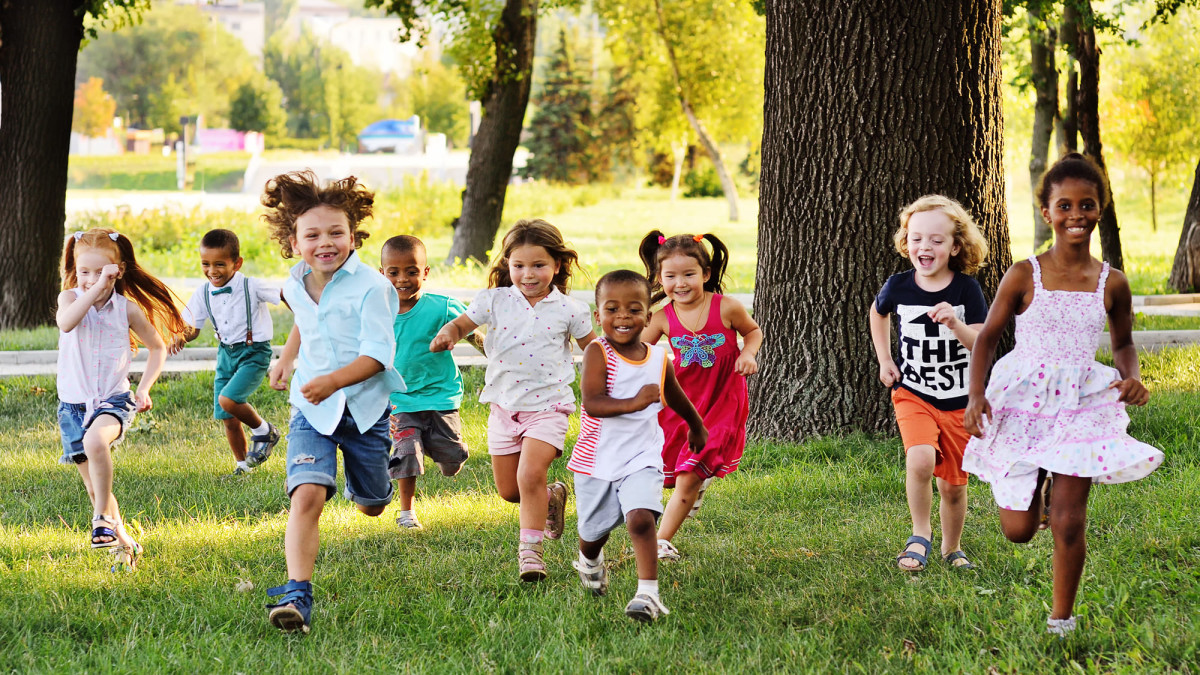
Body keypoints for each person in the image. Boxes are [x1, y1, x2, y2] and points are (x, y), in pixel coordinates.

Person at [963, 153, 1164, 636]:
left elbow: (1123, 343)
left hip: (1082, 403)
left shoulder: (1111, 282)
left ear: (1101, 209)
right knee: (1019, 531)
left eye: (1088, 204)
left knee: (1071, 521)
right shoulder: (1024, 274)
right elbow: (988, 336)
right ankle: (1040, 485)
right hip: (1023, 398)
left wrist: (1130, 375)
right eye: (1065, 205)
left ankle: (1062, 619)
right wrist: (975, 396)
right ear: (1048, 212)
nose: (1077, 214)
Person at [261, 171, 405, 633]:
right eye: (313, 234)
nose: (326, 242)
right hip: (312, 410)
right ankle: (297, 593)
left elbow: (378, 357)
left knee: (373, 504)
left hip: (363, 410)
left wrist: (331, 381)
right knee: (306, 496)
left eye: (336, 232)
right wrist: (287, 358)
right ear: (293, 240)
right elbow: (308, 319)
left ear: (353, 235)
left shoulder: (373, 287)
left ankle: (369, 486)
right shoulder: (295, 281)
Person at [431, 219, 596, 582]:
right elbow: (462, 324)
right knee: (510, 491)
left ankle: (530, 554)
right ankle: (550, 496)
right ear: (507, 264)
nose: (528, 274)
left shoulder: (569, 309)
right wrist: (449, 333)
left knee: (528, 474)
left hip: (549, 408)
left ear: (557, 265)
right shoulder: (495, 300)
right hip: (504, 408)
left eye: (538, 265)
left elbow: (596, 350)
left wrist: (614, 379)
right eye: (518, 265)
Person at [569, 270, 707, 622]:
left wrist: (696, 425)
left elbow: (674, 395)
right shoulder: (598, 353)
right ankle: (589, 560)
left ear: (649, 316)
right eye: (612, 309)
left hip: (642, 455)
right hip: (596, 460)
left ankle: (648, 594)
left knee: (641, 519)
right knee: (592, 533)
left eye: (633, 309)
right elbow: (593, 403)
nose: (623, 317)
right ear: (598, 316)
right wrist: (633, 402)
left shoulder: (658, 357)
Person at [56, 228, 190, 572]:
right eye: (83, 271)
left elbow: (157, 347)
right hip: (72, 406)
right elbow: (67, 324)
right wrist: (95, 288)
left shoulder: (126, 309)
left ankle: (100, 517)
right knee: (93, 485)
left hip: (113, 400)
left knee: (95, 441)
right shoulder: (69, 299)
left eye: (100, 272)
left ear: (118, 271)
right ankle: (125, 543)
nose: (90, 279)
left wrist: (144, 388)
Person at [869, 195, 990, 572]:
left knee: (953, 486)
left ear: (956, 246)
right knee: (919, 458)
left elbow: (983, 342)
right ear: (906, 242)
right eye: (917, 238)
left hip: (958, 400)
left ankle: (952, 548)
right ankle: (919, 534)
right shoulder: (898, 285)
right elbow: (877, 313)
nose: (926, 246)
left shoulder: (966, 290)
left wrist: (955, 323)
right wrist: (885, 360)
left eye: (937, 240)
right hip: (913, 392)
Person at [638, 231, 761, 560]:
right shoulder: (663, 317)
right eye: (671, 276)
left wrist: (747, 354)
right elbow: (638, 351)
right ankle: (693, 486)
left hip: (723, 400)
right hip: (682, 402)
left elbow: (753, 332)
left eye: (689, 274)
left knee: (690, 473)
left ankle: (660, 542)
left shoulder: (727, 307)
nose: (680, 283)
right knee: (674, 467)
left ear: (705, 274)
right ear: (659, 277)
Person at [380, 234, 482, 530]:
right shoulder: (376, 313)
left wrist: (495, 355)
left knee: (451, 464)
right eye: (393, 272)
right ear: (381, 274)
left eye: (412, 271)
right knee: (406, 452)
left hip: (440, 396)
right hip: (401, 400)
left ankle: (443, 450)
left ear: (425, 272)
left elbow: (470, 331)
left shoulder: (441, 306)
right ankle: (406, 513)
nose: (403, 279)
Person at [176, 229, 282, 475]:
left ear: (237, 263)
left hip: (253, 353)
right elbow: (193, 329)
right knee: (228, 416)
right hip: (225, 355)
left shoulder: (251, 286)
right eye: (206, 264)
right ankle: (242, 465)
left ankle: (264, 431)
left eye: (220, 264)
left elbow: (283, 295)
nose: (212, 270)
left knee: (229, 399)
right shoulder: (203, 292)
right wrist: (180, 336)